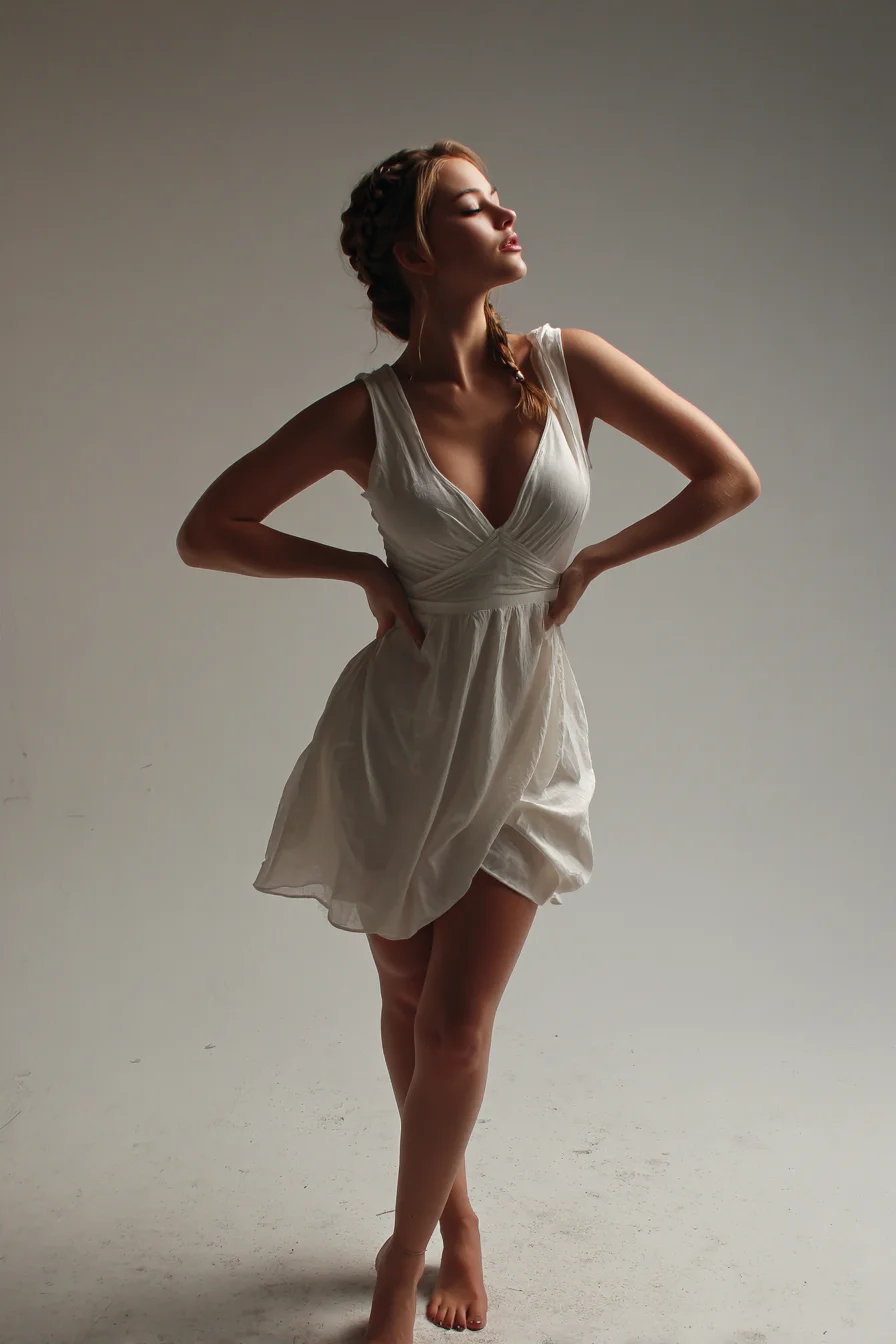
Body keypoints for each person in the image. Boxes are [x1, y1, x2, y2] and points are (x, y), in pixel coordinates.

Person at [176, 140, 760, 1341]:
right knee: (402, 988)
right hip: (397, 732)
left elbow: (725, 476)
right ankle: (455, 1217)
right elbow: (208, 529)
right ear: (411, 251)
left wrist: (594, 556)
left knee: (452, 1023)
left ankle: (403, 1259)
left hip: (526, 732)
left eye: (496, 197)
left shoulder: (568, 362)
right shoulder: (366, 412)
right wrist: (347, 564)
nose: (503, 213)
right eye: (469, 204)